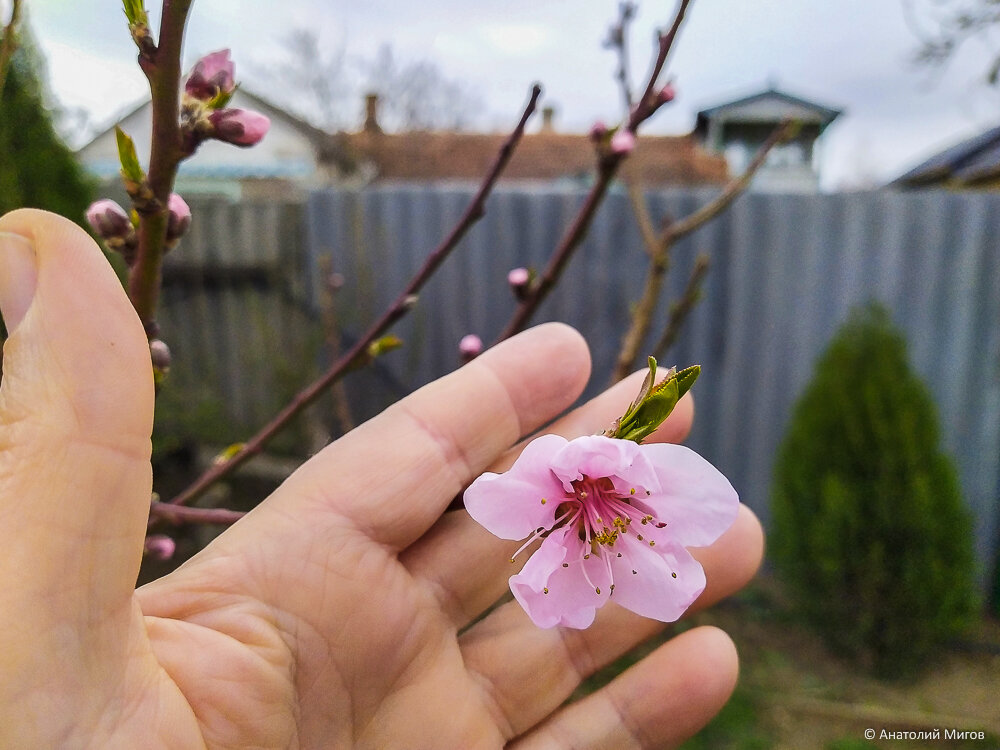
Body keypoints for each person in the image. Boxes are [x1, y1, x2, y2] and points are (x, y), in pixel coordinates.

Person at [0, 209, 763, 749]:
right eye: (598, 497)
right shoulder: (533, 498)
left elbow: (639, 529)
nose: (602, 515)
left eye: (606, 504)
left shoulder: (634, 509)